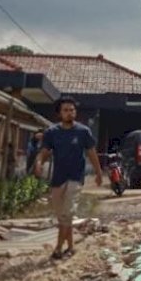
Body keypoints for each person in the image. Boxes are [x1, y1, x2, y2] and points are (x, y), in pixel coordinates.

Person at [34, 97, 103, 260]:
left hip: (75, 177)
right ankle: (71, 247)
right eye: (66, 110)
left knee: (68, 212)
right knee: (63, 216)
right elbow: (44, 152)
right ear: (59, 113)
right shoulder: (52, 133)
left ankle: (58, 248)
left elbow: (92, 153)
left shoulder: (83, 131)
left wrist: (99, 173)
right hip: (58, 179)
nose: (70, 113)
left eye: (72, 110)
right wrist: (38, 163)